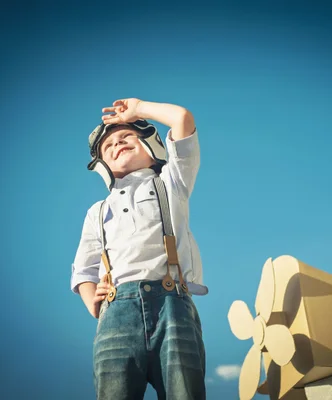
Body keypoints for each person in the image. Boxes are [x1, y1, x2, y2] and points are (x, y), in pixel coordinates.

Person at [70, 98, 208, 400]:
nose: (117, 143)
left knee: (184, 393)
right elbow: (83, 269)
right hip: (117, 314)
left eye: (126, 137)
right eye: (109, 146)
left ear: (150, 146)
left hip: (173, 306)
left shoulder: (171, 182)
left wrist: (139, 109)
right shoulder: (97, 211)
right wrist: (92, 301)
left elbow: (182, 119)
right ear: (103, 166)